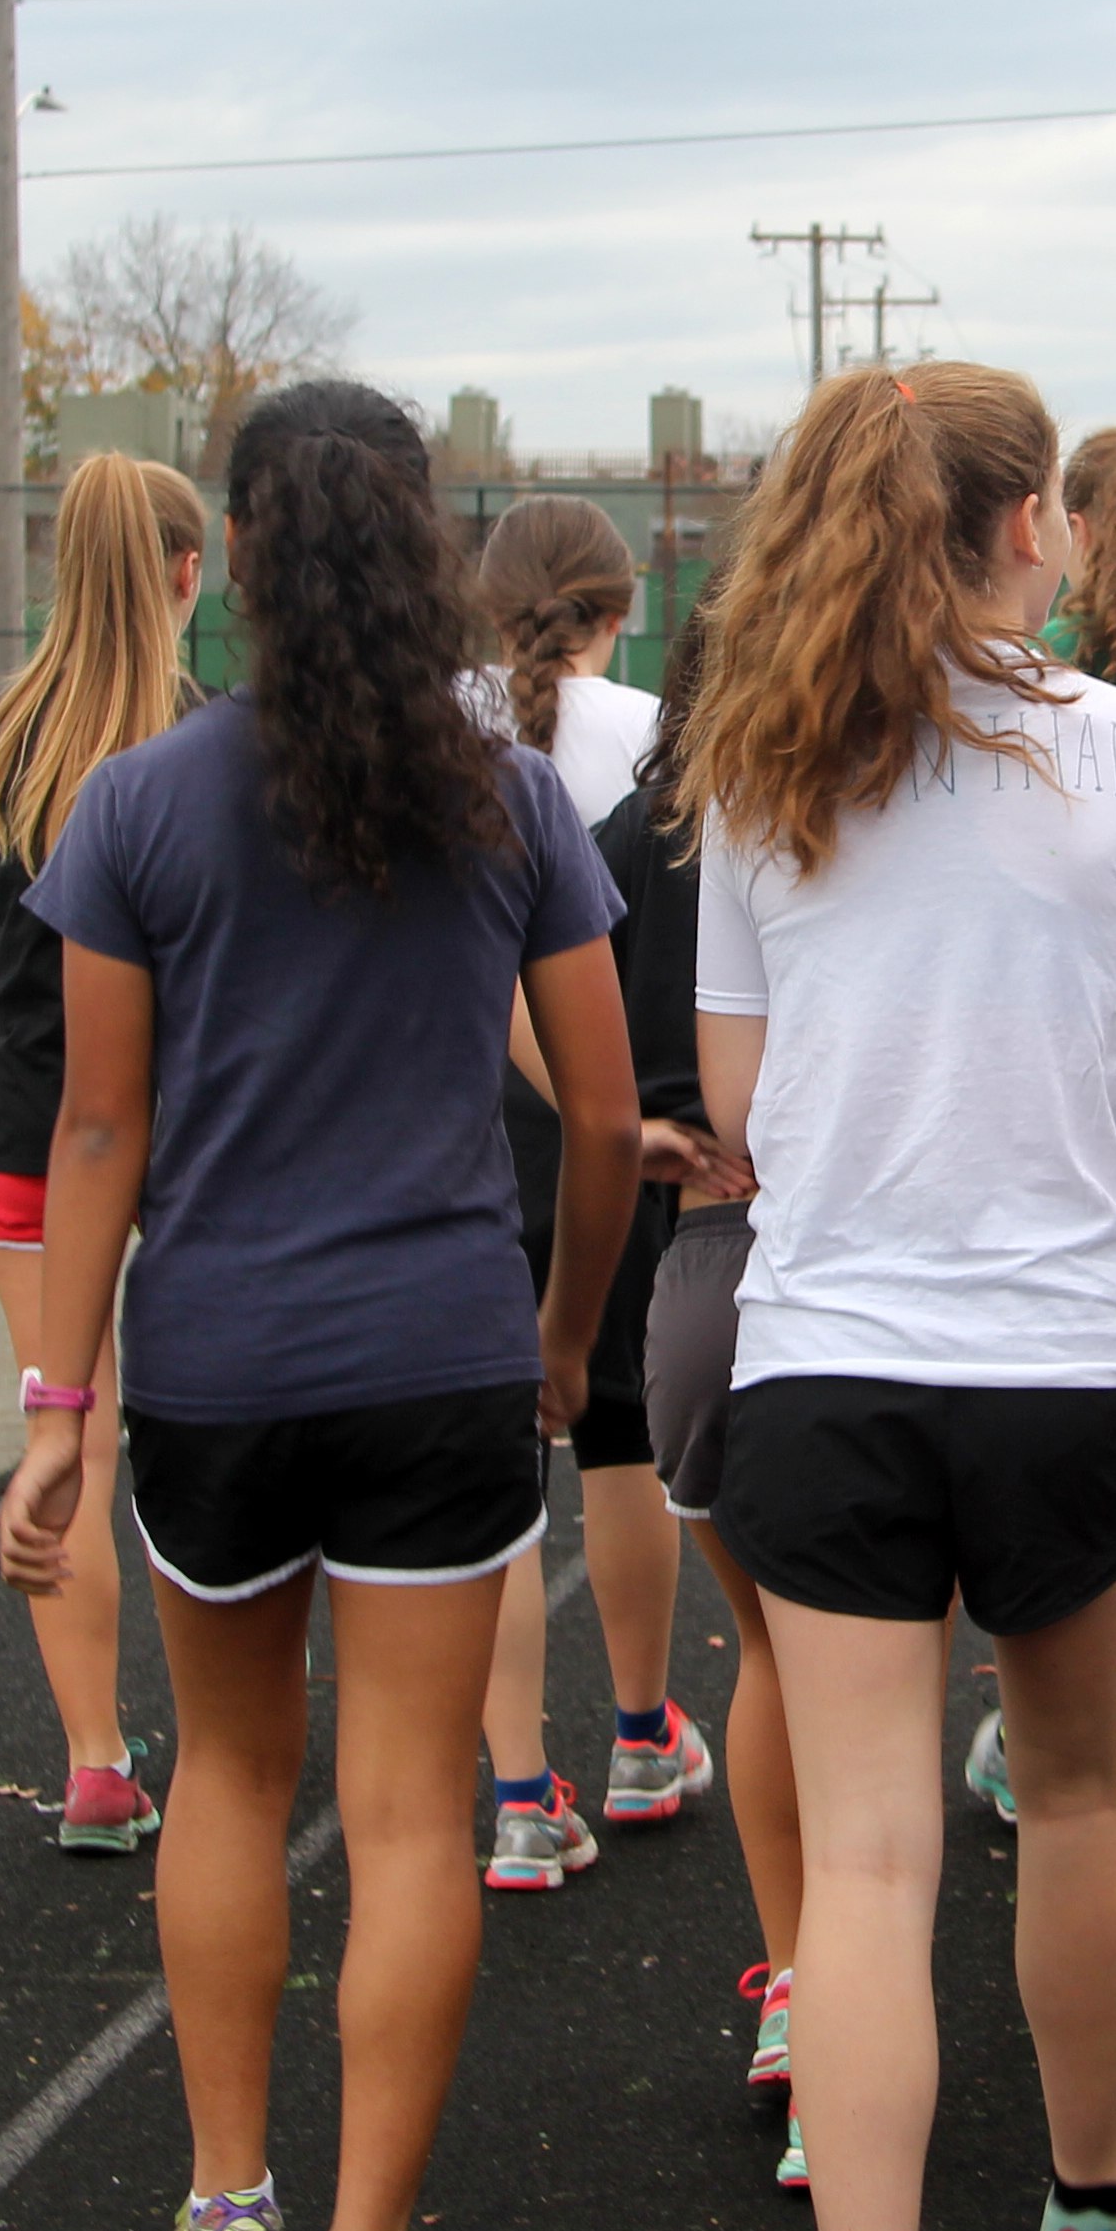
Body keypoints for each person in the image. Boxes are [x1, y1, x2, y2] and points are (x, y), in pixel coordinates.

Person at [0, 379, 639, 2231]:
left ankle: (225, 2207)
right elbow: (610, 1122)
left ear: (244, 556)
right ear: (426, 542)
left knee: (233, 1782)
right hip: (446, 1355)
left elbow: (97, 1133)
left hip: (221, 1369)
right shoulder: (514, 797)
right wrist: (560, 1338)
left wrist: (57, 1403)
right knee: (412, 1811)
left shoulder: (139, 805)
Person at [685, 361, 1116, 2231]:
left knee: (869, 1869)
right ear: (1016, 529)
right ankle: (1090, 2203)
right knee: (1086, 1801)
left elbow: (734, 1106)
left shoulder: (757, 761)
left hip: (825, 1363)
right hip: (1065, 1361)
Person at [0, 447, 211, 1851]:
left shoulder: (0, 726)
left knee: (72, 1433)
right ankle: (222, 1729)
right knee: (191, 1437)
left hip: (28, 1129)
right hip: (178, 1130)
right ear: (188, 574)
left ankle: (98, 1764)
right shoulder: (204, 735)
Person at [459, 495, 703, 1885]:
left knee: (503, 1470)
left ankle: (515, 1790)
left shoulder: (433, 718)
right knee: (621, 1438)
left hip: (466, 1124)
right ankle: (637, 1731)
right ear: (620, 604)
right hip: (609, 1118)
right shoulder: (644, 733)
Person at [605, 608, 816, 2192]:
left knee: (766, 1657)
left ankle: (801, 1990)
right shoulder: (837, 816)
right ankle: (848, 2017)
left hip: (696, 1271)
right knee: (872, 1685)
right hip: (843, 1263)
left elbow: (548, 1058)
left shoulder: (627, 840)